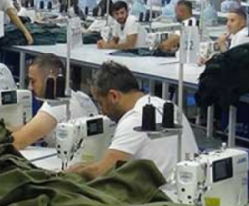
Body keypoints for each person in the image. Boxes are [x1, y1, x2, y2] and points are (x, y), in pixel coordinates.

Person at [66, 62, 198, 180]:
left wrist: (71, 172)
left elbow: (102, 172)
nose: (102, 112)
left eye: (101, 103)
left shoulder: (134, 120)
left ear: (114, 96)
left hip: (160, 195)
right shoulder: (168, 107)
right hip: (185, 185)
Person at [12, 54, 98, 149]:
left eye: (33, 81)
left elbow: (17, 142)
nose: (30, 87)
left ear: (51, 78)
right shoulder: (82, 97)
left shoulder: (54, 107)